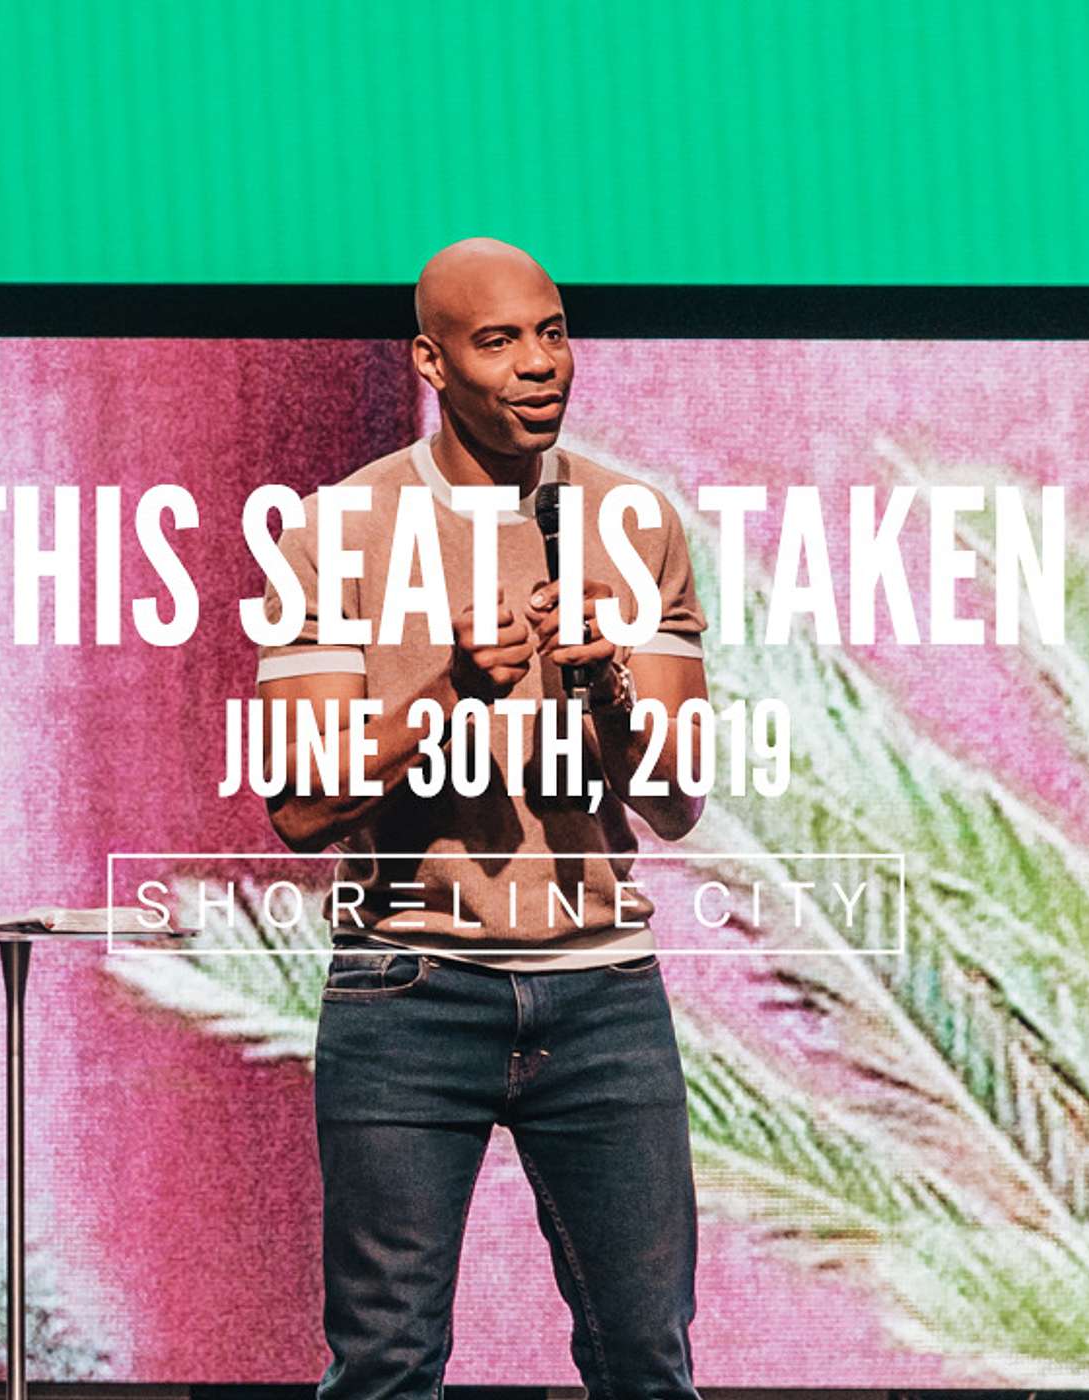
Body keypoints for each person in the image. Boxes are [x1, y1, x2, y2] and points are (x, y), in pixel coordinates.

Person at [256, 237, 708, 1399]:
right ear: (430, 360)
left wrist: (610, 684)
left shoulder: (632, 520)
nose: (538, 363)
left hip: (600, 985)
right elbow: (299, 804)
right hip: (408, 984)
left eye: (551, 333)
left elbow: (674, 798)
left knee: (646, 1359)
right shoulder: (339, 528)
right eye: (498, 340)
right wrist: (450, 687)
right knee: (386, 1363)